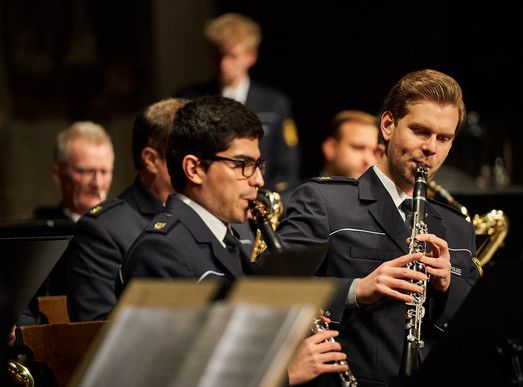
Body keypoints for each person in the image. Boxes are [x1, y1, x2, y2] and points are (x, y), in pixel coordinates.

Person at [120, 95, 347, 385]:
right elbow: (176, 376)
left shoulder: (230, 239)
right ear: (194, 169)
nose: (258, 180)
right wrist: (284, 373)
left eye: (257, 164)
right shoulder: (161, 250)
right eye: (242, 164)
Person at [275, 69, 483, 386]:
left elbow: (478, 330)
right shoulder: (324, 202)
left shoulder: (458, 228)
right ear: (388, 125)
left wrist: (446, 287)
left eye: (444, 138)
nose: (431, 148)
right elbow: (272, 292)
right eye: (420, 131)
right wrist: (357, 290)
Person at [64, 98, 188, 322]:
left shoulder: (212, 217)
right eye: (187, 152)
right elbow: (95, 328)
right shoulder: (104, 229)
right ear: (151, 159)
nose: (197, 163)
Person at [174, 12, 300, 192]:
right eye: (218, 56)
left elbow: (287, 163)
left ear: (251, 56)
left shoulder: (274, 103)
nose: (224, 65)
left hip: (261, 196)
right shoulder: (190, 99)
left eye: (232, 56)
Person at [35, 121, 115, 223]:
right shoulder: (41, 233)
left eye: (104, 172)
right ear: (58, 175)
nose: (97, 184)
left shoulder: (125, 228)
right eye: (86, 171)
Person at [320, 109, 382, 179]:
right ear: (330, 148)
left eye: (374, 152)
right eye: (358, 148)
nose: (368, 160)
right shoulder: (306, 189)